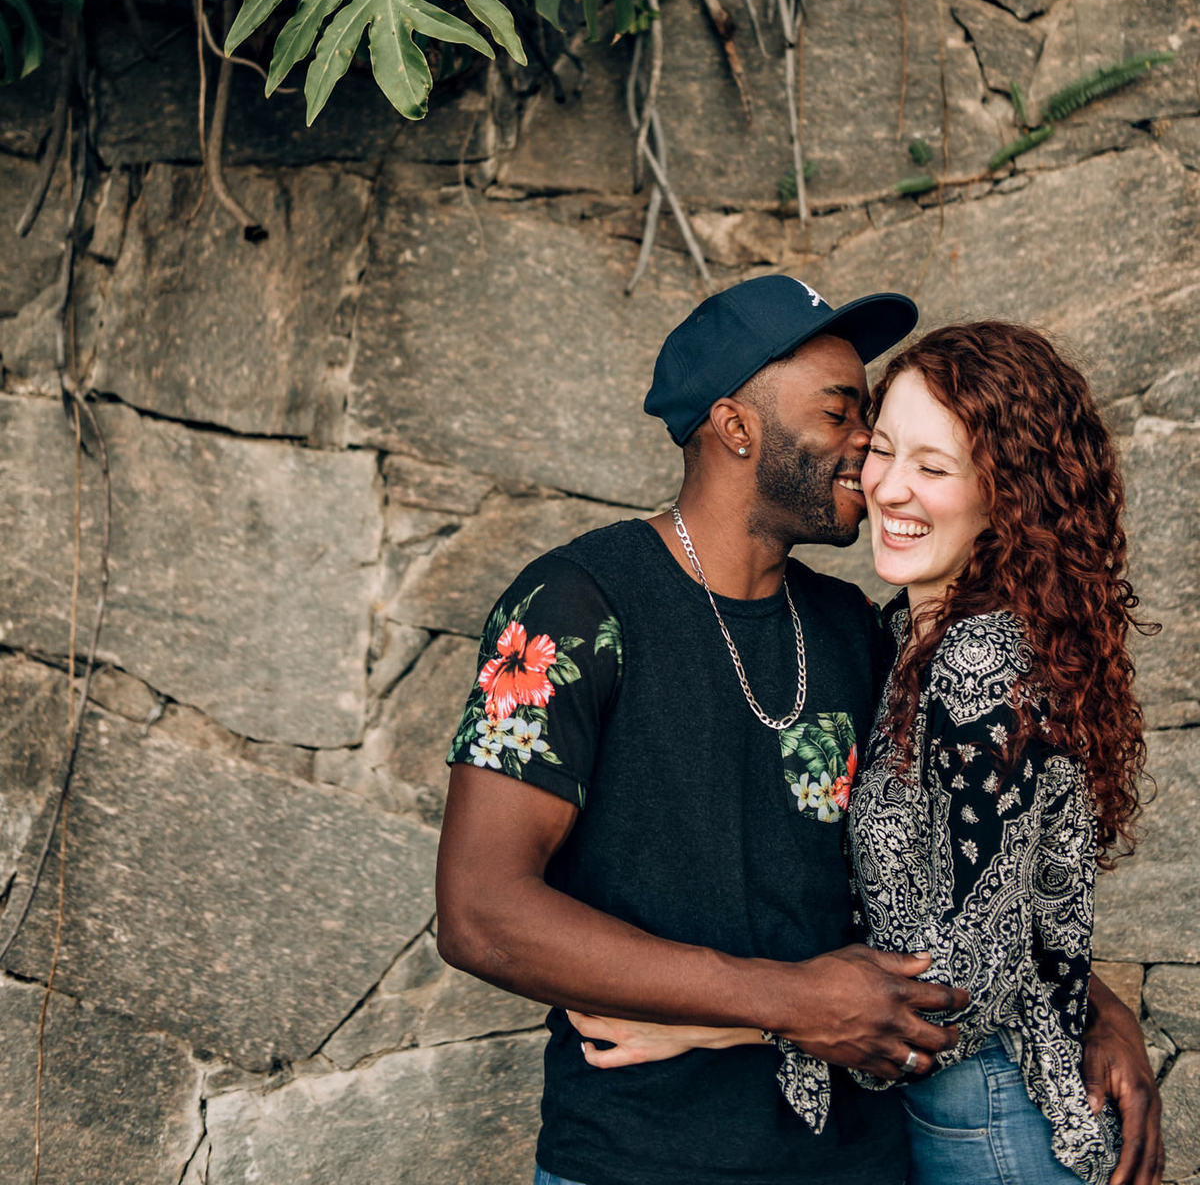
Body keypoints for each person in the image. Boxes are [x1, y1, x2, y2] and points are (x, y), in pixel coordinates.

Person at [435, 278, 1161, 1185]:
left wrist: (1096, 1009)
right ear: (738, 428)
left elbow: (959, 882)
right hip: (640, 1156)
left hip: (858, 1157)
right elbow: (479, 913)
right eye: (843, 413)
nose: (869, 447)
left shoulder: (860, 628)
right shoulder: (573, 607)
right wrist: (785, 1002)